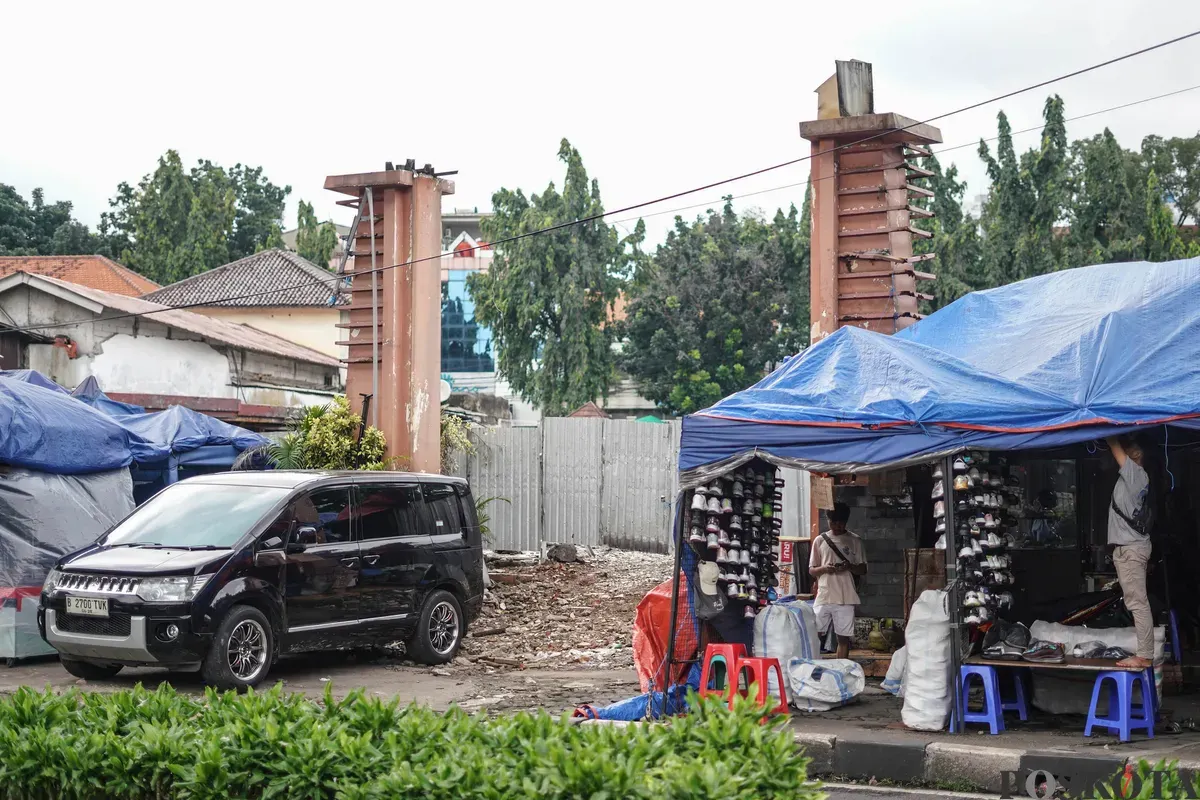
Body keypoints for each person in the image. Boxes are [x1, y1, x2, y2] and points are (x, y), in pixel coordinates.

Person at [1107, 435, 1153, 669]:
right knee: (1135, 601)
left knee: (1138, 603)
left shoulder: (1135, 474)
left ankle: (1144, 655)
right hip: (1128, 547)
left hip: (1131, 549)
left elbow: (1116, 448)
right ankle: (1144, 652)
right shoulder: (1132, 477)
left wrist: (1106, 431)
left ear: (1136, 456)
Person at [809, 502, 868, 659]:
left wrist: (849, 566)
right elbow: (812, 570)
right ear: (828, 521)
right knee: (815, 634)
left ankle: (840, 670)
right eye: (833, 522)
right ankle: (812, 666)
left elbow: (863, 569)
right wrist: (825, 569)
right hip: (824, 595)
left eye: (841, 523)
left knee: (843, 638)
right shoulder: (820, 541)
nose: (837, 526)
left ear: (846, 522)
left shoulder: (855, 540)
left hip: (846, 596)